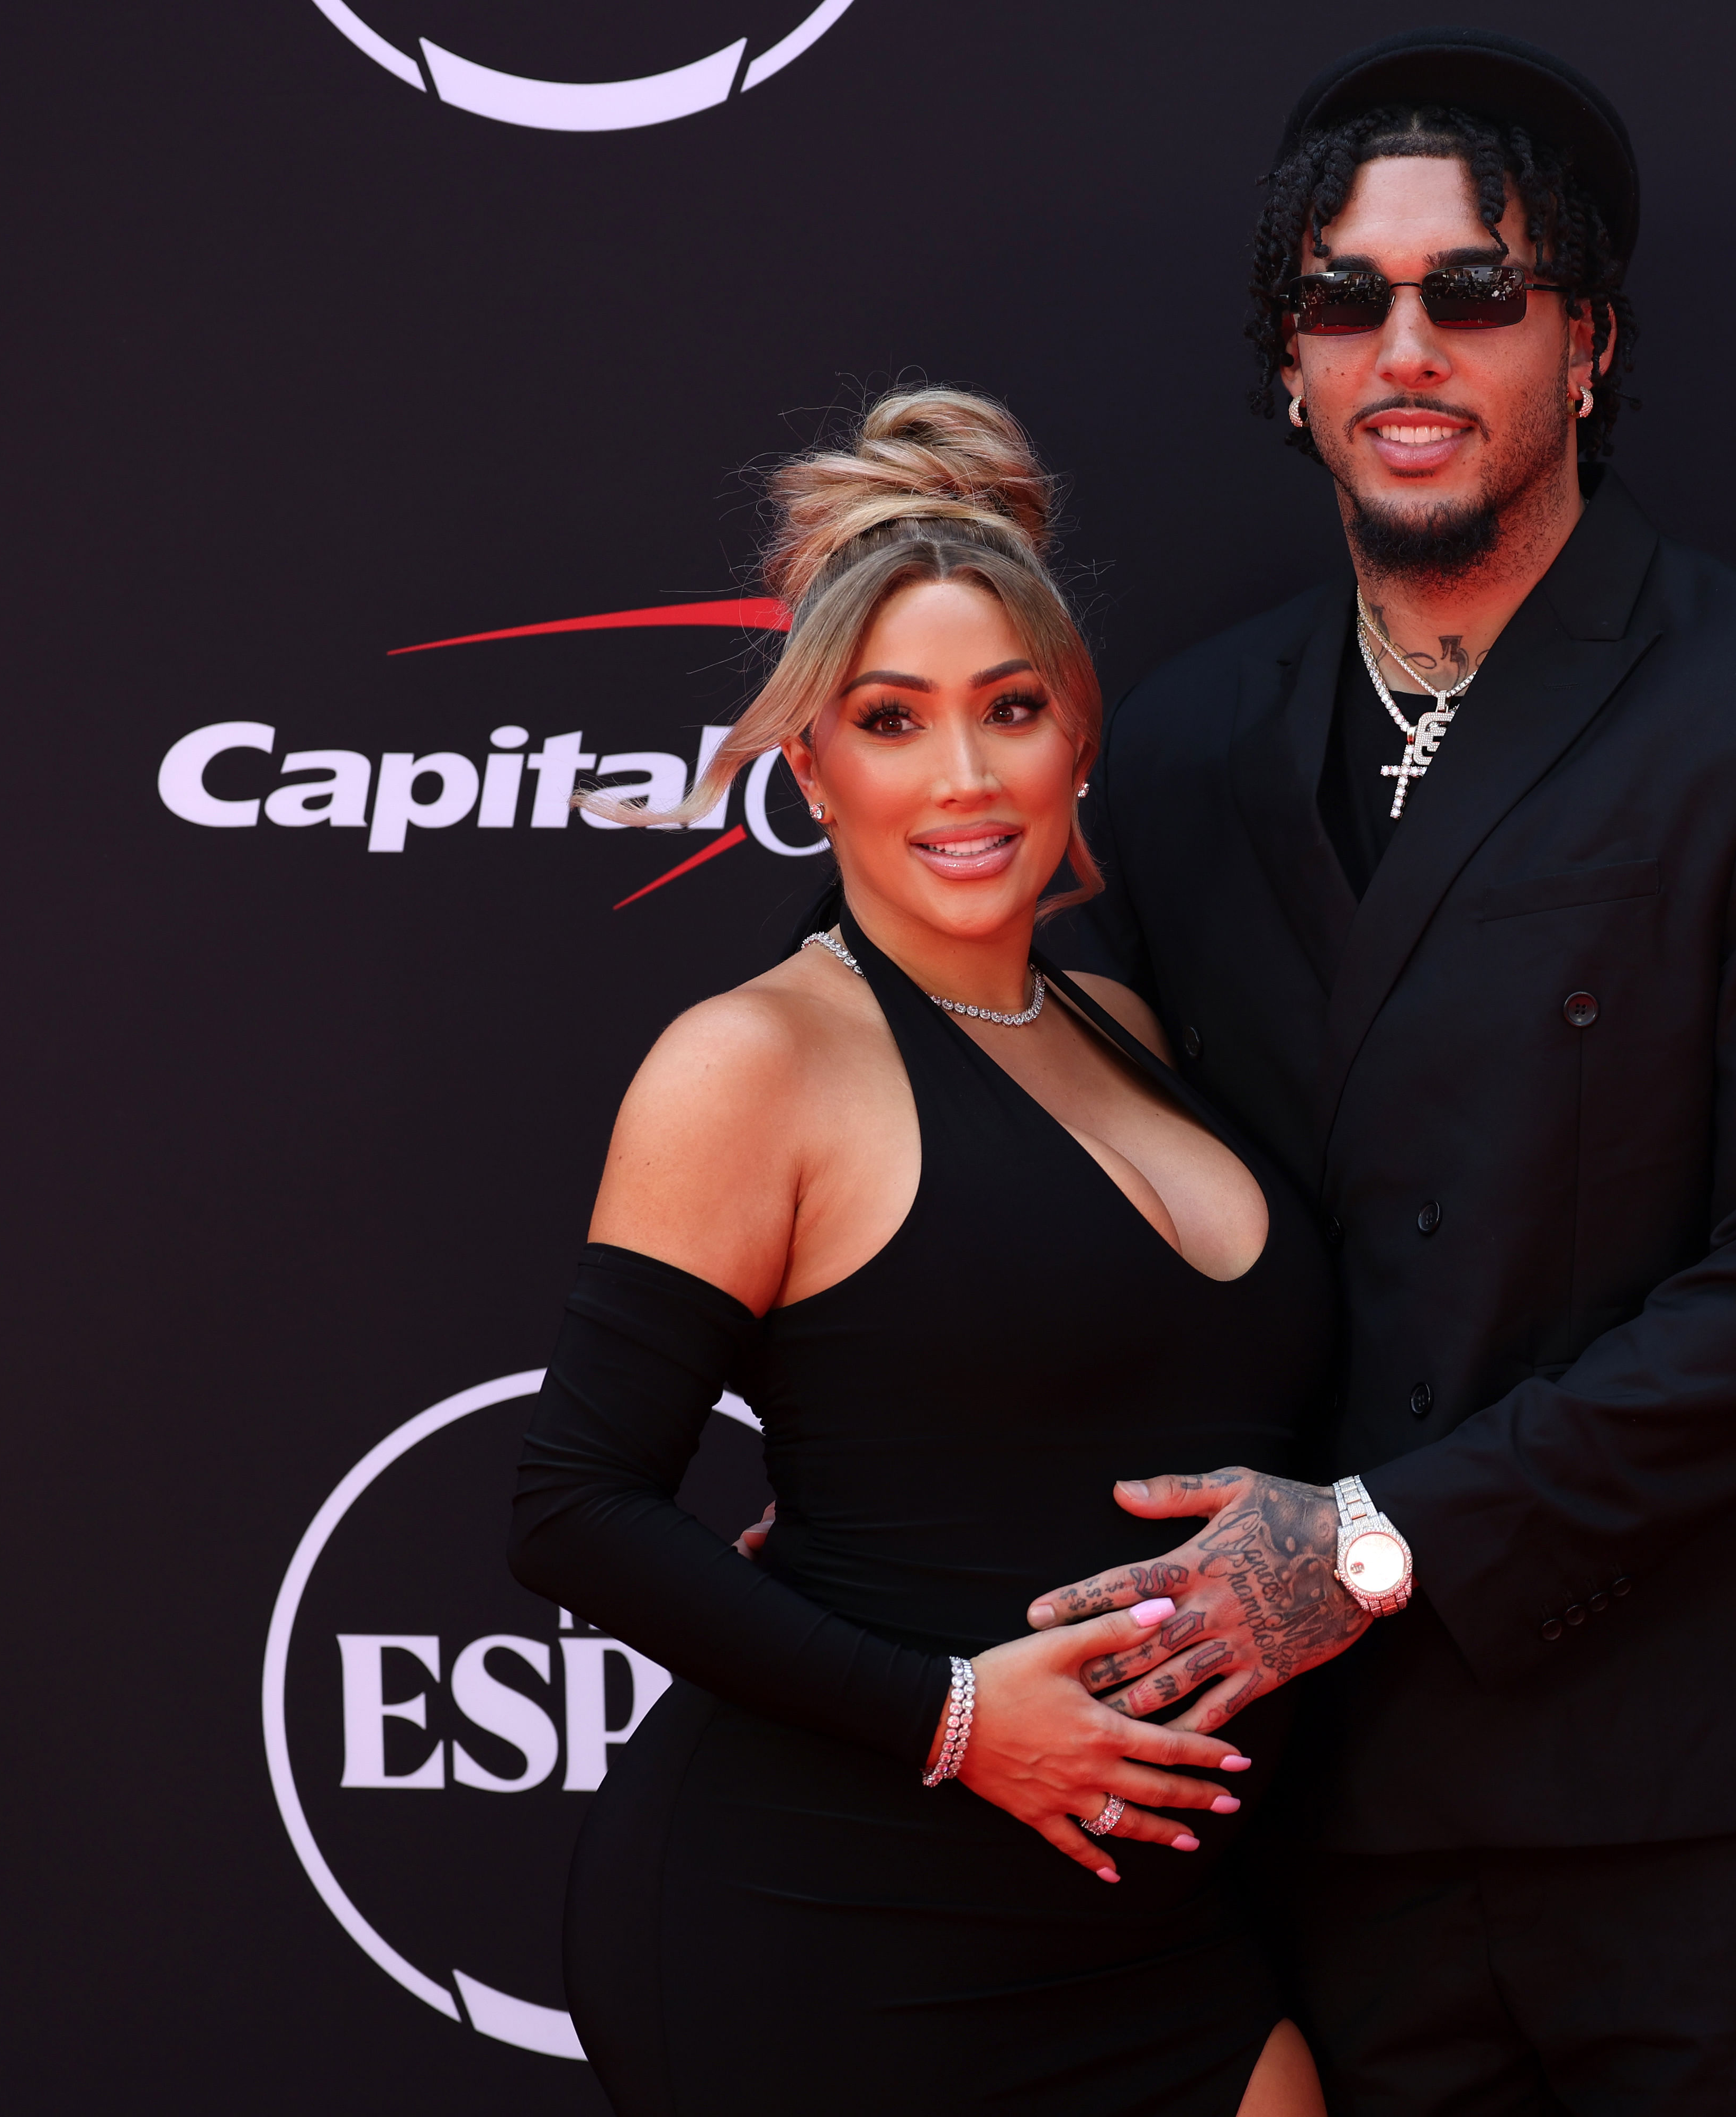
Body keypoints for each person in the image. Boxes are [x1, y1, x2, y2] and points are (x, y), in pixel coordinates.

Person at [1023, 31, 1736, 2114]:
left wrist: (1367, 1548)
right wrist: (874, 1494)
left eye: (1477, 290)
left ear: (1592, 344)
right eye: (1343, 298)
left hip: (1713, 1802)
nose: (1408, 346)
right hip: (1329, 1809)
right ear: (1288, 363)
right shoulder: (1182, 749)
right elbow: (1092, 1206)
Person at [506, 387, 1331, 2116]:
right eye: (893, 720)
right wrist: (953, 1713)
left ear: (1075, 739)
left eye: (1010, 711)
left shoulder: (1124, 1024)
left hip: (1153, 1926)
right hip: (839, 1921)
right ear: (812, 765)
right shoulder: (753, 1063)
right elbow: (572, 1507)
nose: (963, 778)